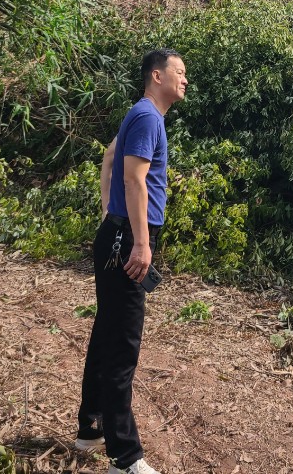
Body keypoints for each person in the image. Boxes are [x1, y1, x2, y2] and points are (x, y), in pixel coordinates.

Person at [76, 48, 188, 474]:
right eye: (179, 73)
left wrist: (110, 213)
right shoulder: (146, 116)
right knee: (122, 345)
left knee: (106, 335)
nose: (185, 80)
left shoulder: (143, 115)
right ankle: (125, 458)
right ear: (155, 76)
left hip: (119, 234)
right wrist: (141, 242)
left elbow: (109, 156)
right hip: (128, 241)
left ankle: (90, 429)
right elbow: (133, 177)